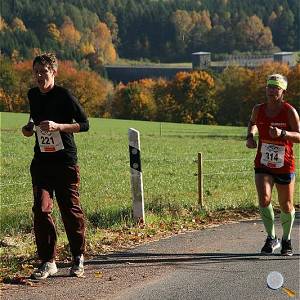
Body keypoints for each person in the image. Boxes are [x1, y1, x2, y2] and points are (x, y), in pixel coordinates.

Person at [22, 53, 89, 279]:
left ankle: (78, 256)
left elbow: (85, 124)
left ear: (54, 72)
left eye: (45, 72)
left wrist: (58, 126)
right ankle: (48, 261)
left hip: (64, 162)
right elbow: (34, 116)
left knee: (70, 211)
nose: (40, 77)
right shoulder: (32, 94)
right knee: (41, 211)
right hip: (41, 162)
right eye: (37, 72)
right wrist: (29, 127)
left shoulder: (65, 96)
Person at [246, 73, 300, 256]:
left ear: (283, 90)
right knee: (264, 199)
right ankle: (271, 237)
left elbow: (299, 136)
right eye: (269, 86)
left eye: (276, 87)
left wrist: (282, 134)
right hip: (263, 163)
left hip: (284, 164)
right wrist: (250, 136)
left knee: (286, 205)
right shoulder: (258, 109)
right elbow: (252, 123)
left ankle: (286, 240)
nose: (271, 90)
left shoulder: (289, 111)